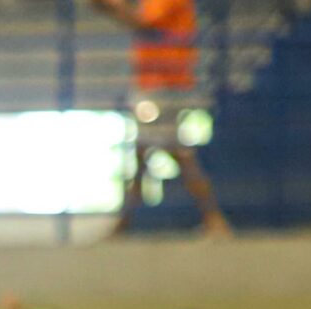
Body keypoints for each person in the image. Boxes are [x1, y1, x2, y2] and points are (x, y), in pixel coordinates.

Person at [89, 0, 231, 238]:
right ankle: (123, 224)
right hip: (157, 82)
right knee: (144, 152)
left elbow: (146, 25)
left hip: (163, 83)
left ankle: (214, 219)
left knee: (176, 152)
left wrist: (111, 7)